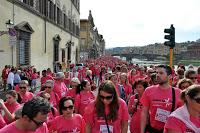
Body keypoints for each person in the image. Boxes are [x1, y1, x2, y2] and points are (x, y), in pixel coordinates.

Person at [140, 65, 183, 133]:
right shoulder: (148, 90)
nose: (157, 75)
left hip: (170, 130)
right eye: (157, 73)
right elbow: (144, 113)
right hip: (153, 130)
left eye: (161, 73)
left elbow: (182, 116)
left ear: (170, 76)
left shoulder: (178, 92)